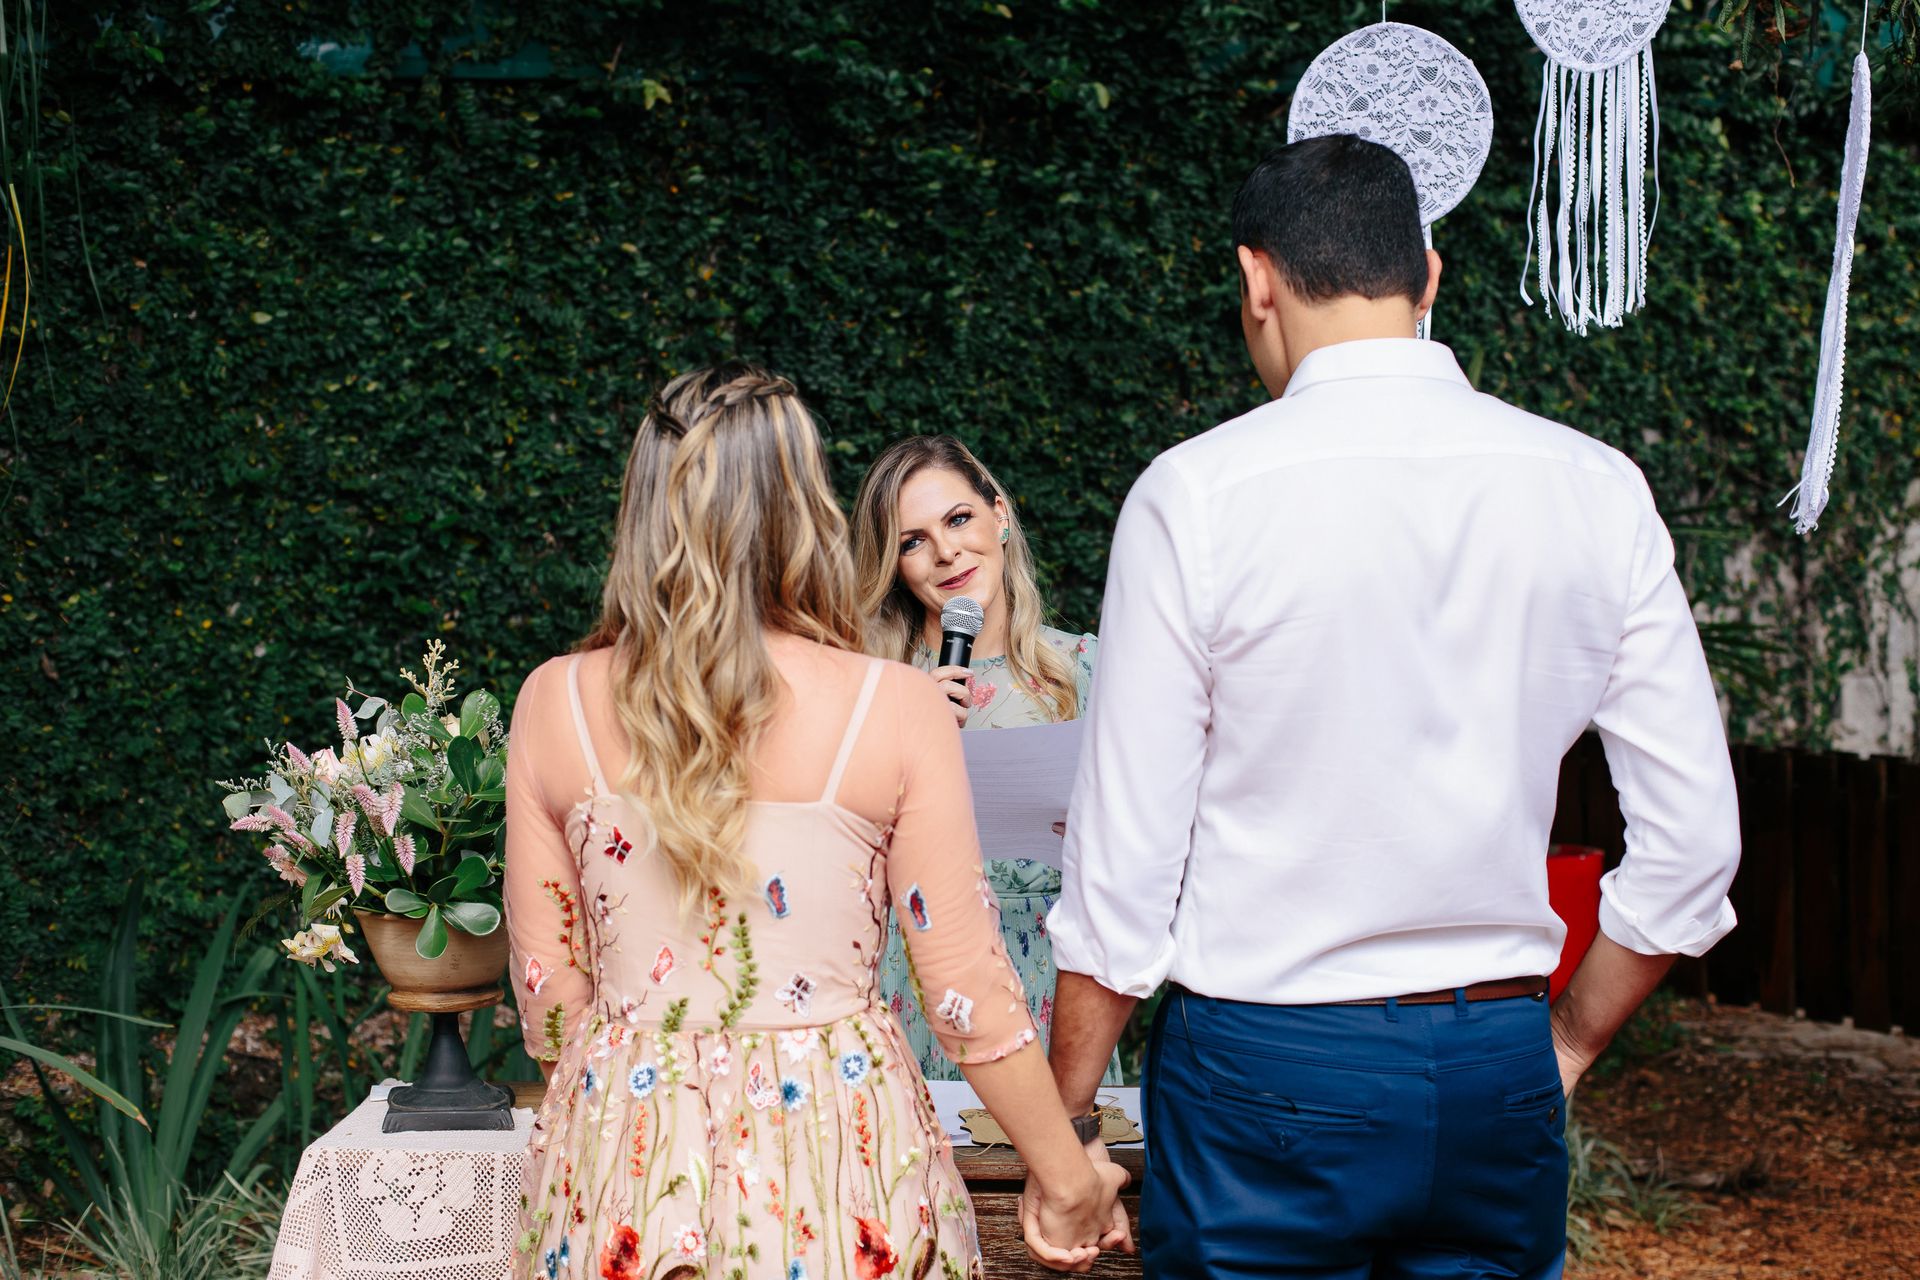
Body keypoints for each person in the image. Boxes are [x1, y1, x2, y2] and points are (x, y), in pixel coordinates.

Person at [1034, 135, 1743, 1278]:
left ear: (1257, 280)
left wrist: (1065, 1131)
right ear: (1429, 273)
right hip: (1495, 1057)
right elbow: (1696, 846)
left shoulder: (1197, 497)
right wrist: (1560, 1040)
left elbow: (1122, 885)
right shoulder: (1594, 485)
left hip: (1266, 1066)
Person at [504, 364, 1127, 1280]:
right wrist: (1068, 1176)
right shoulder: (895, 705)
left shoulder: (553, 701)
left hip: (619, 1174)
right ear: (804, 504)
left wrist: (624, 1111)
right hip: (844, 1166)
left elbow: (549, 987)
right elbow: (963, 992)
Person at [850, 436, 1122, 1088]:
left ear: (999, 514)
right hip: (909, 985)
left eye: (959, 519)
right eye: (912, 541)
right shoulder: (864, 685)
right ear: (892, 564)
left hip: (1052, 982)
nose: (946, 552)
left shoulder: (1090, 670)